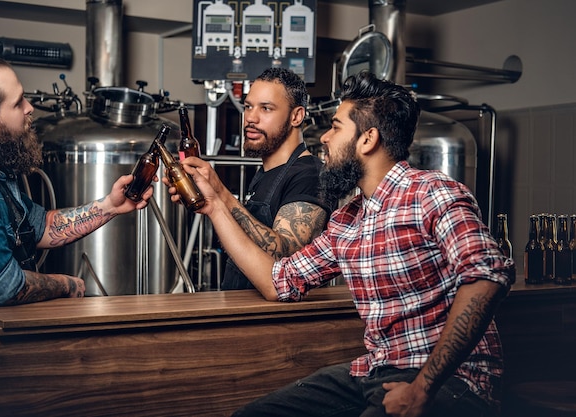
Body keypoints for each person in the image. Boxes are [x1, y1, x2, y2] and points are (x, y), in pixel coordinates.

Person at [169, 71, 515, 417]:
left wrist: (424, 386)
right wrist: (213, 205)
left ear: (367, 140)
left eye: (335, 127)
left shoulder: (431, 193)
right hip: (377, 371)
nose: (325, 139)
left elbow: (487, 277)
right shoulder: (349, 219)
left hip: (451, 383)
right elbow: (279, 282)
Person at [0, 53, 155, 319]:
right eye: (17, 102)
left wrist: (110, 206)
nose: (29, 108)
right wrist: (67, 285)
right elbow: (3, 287)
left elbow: (41, 227)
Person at [183, 67, 331, 290]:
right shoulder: (265, 173)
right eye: (248, 106)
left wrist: (221, 194)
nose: (250, 118)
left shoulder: (311, 175)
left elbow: (286, 258)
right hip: (241, 307)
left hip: (269, 320)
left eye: (266, 108)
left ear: (296, 116)